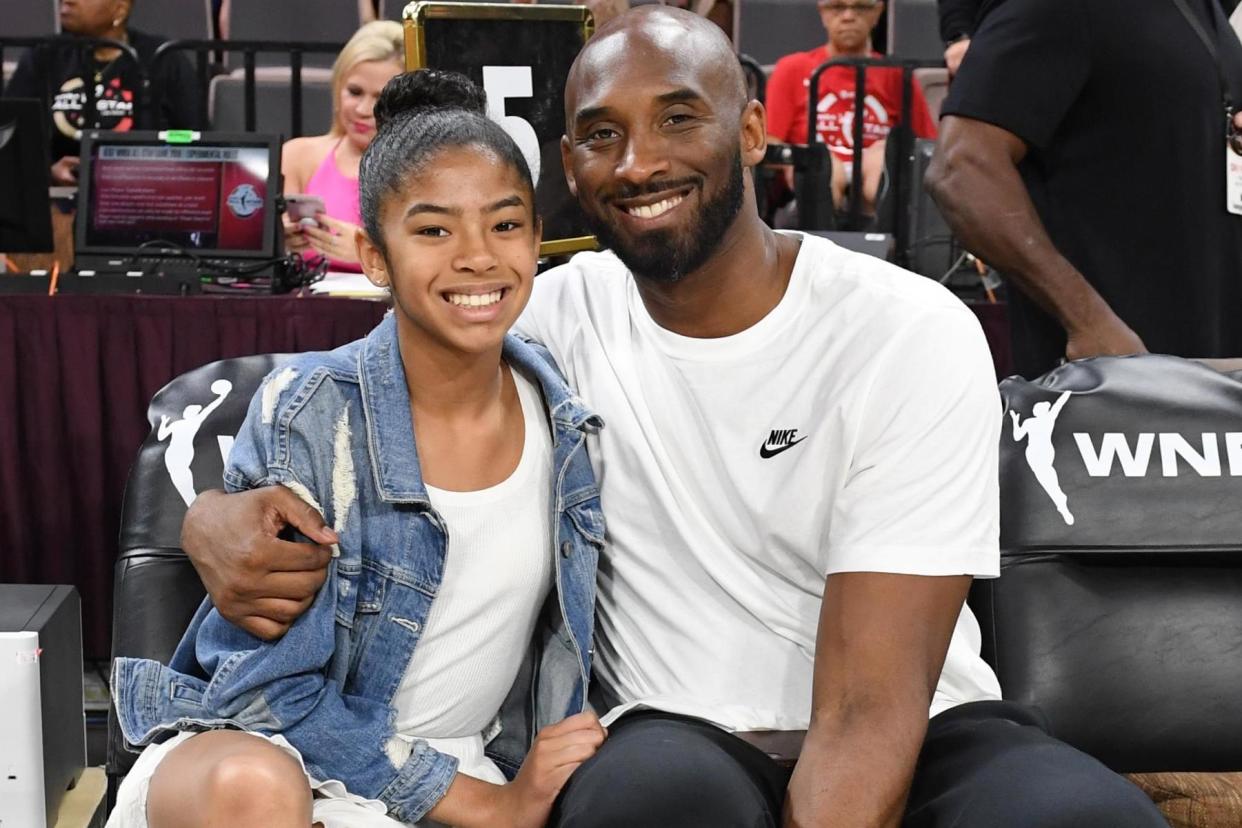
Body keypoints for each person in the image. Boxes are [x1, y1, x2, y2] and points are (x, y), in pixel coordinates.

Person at [176, 8, 1168, 826]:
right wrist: (215, 509)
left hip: (919, 728)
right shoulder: (550, 313)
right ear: (571, 159)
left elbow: (869, 712)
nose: (638, 161)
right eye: (603, 134)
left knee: (1090, 820)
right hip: (670, 736)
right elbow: (346, 381)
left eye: (678, 119)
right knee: (645, 804)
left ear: (750, 131)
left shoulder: (904, 329)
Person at [109, 69, 607, 828]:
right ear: (375, 257)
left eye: (505, 225)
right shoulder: (312, 414)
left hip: (454, 767)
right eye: (434, 230)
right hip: (271, 754)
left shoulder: (565, 410)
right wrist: (496, 808)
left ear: (538, 240)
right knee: (255, 785)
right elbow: (268, 694)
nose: (477, 256)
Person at [927, 0, 1242, 379]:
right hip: (1110, 384)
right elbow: (961, 168)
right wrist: (1088, 322)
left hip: (1211, 378)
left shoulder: (1208, 17)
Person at [765, 0, 937, 214]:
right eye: (837, 7)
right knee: (822, 165)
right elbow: (769, 142)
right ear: (822, 12)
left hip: (877, 182)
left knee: (880, 160)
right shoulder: (792, 68)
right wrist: (800, 159)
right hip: (810, 185)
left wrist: (882, 154)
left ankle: (882, 229)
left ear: (877, 13)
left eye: (861, 7)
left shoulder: (897, 74)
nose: (848, 16)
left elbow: (926, 144)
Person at [2, 0, 200, 185]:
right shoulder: (44, 55)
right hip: (57, 198)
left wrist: (150, 172)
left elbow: (195, 138)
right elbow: (11, 138)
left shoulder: (163, 58)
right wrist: (47, 172)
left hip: (143, 195)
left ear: (119, 9)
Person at [281, 21, 403, 273]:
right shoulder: (297, 156)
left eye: (381, 98)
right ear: (337, 88)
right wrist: (278, 241)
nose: (363, 110)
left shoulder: (428, 172)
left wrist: (370, 255)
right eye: (355, 92)